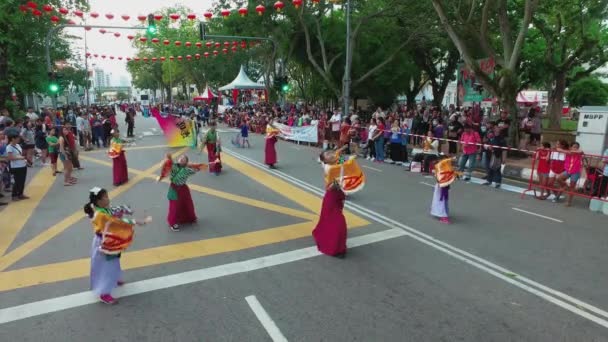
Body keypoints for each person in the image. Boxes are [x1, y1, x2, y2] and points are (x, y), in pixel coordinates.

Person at [84, 187, 150, 304]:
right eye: (105, 197)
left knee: (113, 262)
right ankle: (104, 292)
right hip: (105, 242)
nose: (108, 199)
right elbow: (117, 222)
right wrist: (136, 221)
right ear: (98, 201)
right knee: (107, 266)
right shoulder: (101, 214)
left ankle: (114, 279)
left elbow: (113, 211)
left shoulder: (100, 208)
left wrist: (123, 209)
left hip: (109, 240)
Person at [158, 154, 214, 231]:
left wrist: (199, 167)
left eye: (183, 159)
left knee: (188, 204)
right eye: (180, 157)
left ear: (186, 162)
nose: (181, 159)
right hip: (174, 189)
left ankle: (189, 218)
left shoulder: (187, 170)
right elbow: (167, 167)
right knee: (174, 206)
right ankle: (172, 223)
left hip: (183, 189)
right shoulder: (174, 165)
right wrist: (168, 160)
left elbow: (195, 170)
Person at [314, 148, 349, 258]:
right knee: (339, 223)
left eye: (331, 152)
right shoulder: (329, 168)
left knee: (331, 222)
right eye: (327, 154)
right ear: (325, 160)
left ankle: (332, 241)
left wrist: (343, 154)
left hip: (339, 195)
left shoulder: (336, 163)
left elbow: (343, 165)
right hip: (331, 196)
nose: (331, 154)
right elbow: (336, 181)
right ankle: (336, 248)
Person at [430, 157, 459, 224]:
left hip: (442, 186)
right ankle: (443, 213)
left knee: (441, 200)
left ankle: (443, 216)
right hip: (441, 185)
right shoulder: (441, 167)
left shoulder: (443, 168)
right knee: (442, 200)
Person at [6, 133, 29, 201]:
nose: (19, 139)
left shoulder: (18, 145)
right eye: (17, 138)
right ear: (13, 139)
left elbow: (19, 154)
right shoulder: (9, 147)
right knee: (17, 181)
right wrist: (20, 158)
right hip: (16, 166)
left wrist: (23, 159)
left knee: (22, 181)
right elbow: (10, 158)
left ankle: (20, 194)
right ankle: (14, 195)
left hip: (22, 165)